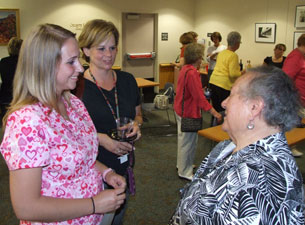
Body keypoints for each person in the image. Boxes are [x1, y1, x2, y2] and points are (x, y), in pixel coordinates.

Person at [0, 24, 126, 225]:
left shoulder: (72, 103)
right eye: (71, 62)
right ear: (45, 66)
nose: (79, 67)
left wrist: (106, 173)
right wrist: (94, 204)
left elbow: (80, 155)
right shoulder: (27, 122)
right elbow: (26, 207)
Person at [170, 66, 305, 225]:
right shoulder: (228, 146)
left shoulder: (258, 184)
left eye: (232, 95)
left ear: (254, 108)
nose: (224, 103)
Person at [77, 19, 142, 225]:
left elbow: (138, 114)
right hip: (90, 170)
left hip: (122, 166)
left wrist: (137, 124)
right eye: (101, 48)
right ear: (86, 50)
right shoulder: (75, 87)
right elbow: (67, 134)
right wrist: (101, 139)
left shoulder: (128, 80)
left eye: (112, 47)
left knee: (116, 217)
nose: (109, 54)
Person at [174, 43, 222, 181]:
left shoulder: (185, 69)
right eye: (200, 57)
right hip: (188, 112)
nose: (202, 59)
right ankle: (185, 171)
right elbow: (200, 99)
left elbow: (191, 92)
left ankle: (182, 165)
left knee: (184, 141)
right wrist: (214, 112)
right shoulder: (192, 73)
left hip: (180, 109)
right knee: (188, 142)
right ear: (196, 58)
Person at [209, 31, 245, 113]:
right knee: (223, 110)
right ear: (237, 43)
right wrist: (242, 73)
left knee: (216, 108)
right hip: (223, 86)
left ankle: (214, 124)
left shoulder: (222, 53)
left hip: (213, 82)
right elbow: (233, 74)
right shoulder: (233, 55)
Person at [283, 35, 305, 157]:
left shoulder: (302, 57)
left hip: (301, 99)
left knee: (295, 125)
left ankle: (290, 146)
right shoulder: (295, 56)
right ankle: (289, 148)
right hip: (296, 99)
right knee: (291, 125)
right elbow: (286, 78)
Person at [0, 37, 23, 123]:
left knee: (6, 122)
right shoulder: (25, 61)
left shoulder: (3, 61)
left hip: (6, 97)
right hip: (21, 97)